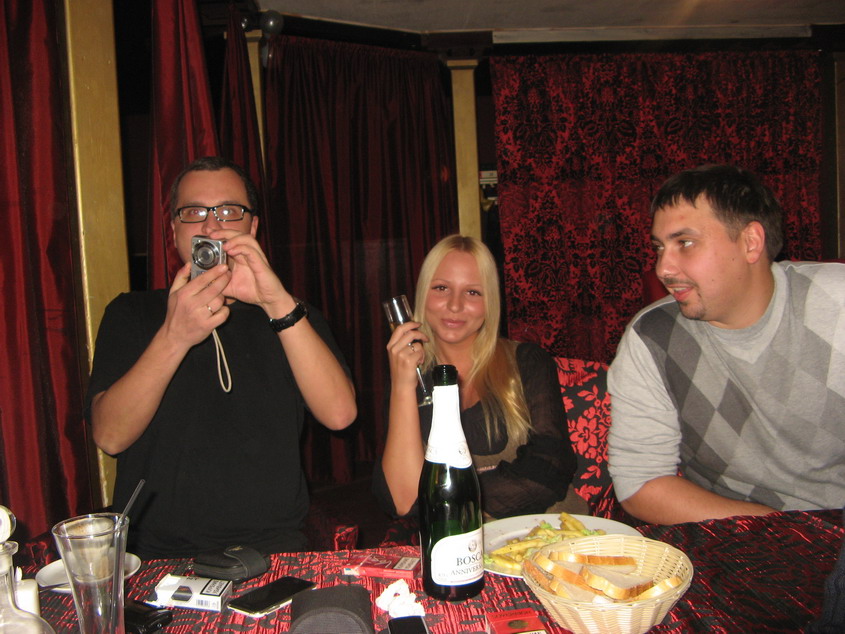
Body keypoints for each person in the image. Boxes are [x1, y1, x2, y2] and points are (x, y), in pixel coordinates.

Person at [85, 156, 357, 559]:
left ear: (253, 228)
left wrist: (276, 302)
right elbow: (110, 435)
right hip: (155, 555)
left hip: (273, 547)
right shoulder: (132, 313)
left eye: (229, 211)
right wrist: (174, 336)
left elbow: (340, 415)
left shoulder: (290, 314)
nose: (211, 227)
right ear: (174, 230)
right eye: (194, 212)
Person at [608, 164, 845, 525]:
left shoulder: (837, 303)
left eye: (684, 243)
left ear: (751, 242)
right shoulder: (652, 335)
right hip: (732, 530)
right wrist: (786, 530)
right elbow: (641, 482)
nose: (663, 268)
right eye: (659, 247)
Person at [372, 235, 583, 520]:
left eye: (472, 292)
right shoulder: (407, 376)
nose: (455, 305)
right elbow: (405, 501)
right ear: (423, 294)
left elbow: (550, 466)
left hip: (546, 531)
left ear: (490, 302)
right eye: (441, 288)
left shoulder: (527, 361)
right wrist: (402, 385)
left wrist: (447, 501)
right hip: (456, 543)